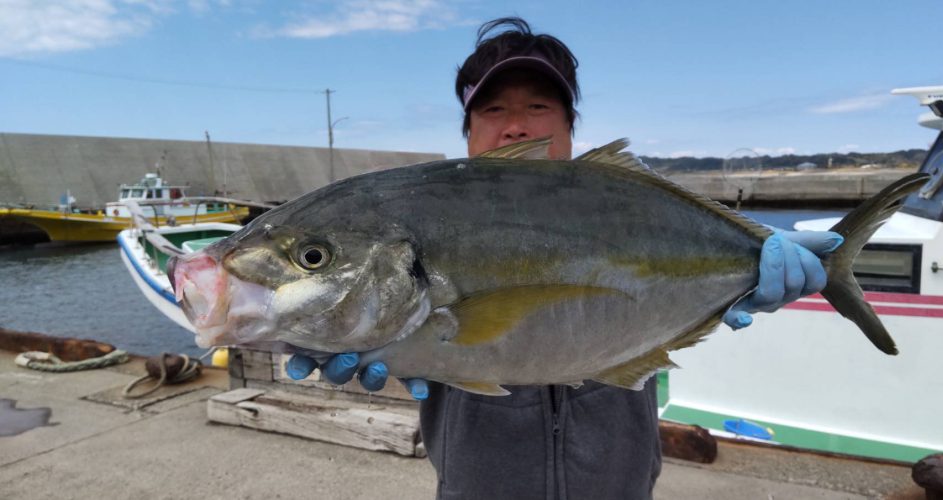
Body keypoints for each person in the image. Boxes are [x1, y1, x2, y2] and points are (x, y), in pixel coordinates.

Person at [285, 17, 842, 500]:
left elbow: (668, 283)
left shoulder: (628, 207)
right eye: (494, 108)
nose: (517, 124)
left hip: (617, 483)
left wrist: (746, 275)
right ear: (469, 132)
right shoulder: (423, 219)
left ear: (571, 128)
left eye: (539, 106)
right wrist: (340, 332)